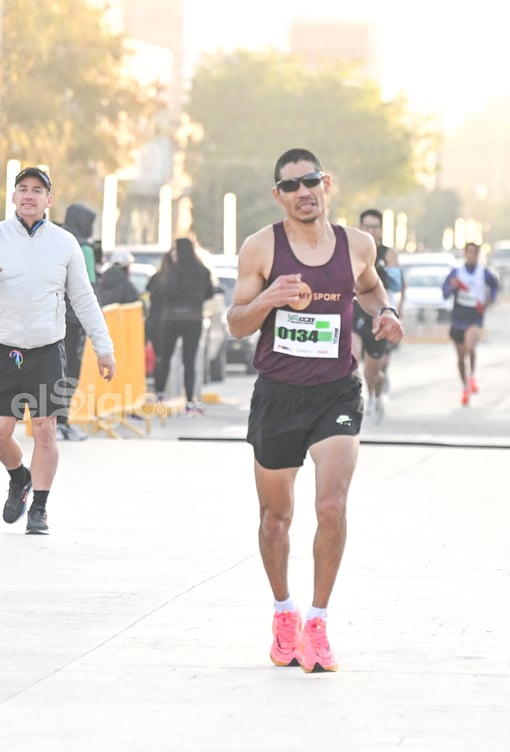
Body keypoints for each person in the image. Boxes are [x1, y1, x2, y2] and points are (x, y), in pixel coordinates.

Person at [226, 147, 404, 673]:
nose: (304, 192)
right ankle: (285, 611)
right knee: (275, 518)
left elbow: (371, 290)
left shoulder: (358, 244)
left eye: (311, 181)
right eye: (292, 185)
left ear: (327, 183)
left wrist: (387, 312)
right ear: (277, 196)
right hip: (278, 393)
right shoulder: (260, 248)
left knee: (331, 506)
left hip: (336, 392)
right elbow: (236, 323)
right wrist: (268, 300)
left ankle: (319, 624)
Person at [0, 167, 115, 535]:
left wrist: (104, 348)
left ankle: (39, 507)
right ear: (13, 197)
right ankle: (18, 477)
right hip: (4, 350)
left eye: (37, 190)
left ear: (49, 200)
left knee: (45, 430)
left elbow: (83, 297)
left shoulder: (64, 242)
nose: (29, 196)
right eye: (22, 189)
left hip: (48, 348)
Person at [151, 237, 214, 416]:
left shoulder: (174, 270)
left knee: (165, 356)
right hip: (194, 318)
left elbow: (167, 291)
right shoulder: (202, 271)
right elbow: (209, 293)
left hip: (171, 318)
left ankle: (160, 393)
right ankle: (190, 400)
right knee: (189, 361)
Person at [352, 209, 403, 421]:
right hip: (355, 311)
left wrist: (395, 312)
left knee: (373, 372)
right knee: (353, 360)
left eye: (375, 226)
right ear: (360, 228)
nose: (371, 230)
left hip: (379, 314)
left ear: (381, 230)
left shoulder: (387, 255)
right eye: (367, 226)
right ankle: (357, 401)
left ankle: (377, 395)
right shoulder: (354, 252)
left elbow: (397, 286)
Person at [56, 203, 99, 441]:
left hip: (50, 315)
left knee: (51, 369)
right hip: (73, 319)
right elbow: (88, 289)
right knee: (70, 369)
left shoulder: (57, 240)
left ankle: (50, 419)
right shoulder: (85, 248)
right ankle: (62, 420)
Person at [442, 241, 498, 406]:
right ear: (465, 254)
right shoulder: (457, 273)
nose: (472, 255)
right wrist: (451, 288)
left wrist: (490, 300)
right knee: (460, 357)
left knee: (470, 346)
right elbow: (445, 293)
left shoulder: (483, 273)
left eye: (475, 252)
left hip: (475, 317)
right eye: (469, 252)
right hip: (459, 317)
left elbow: (495, 286)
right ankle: (465, 385)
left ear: (478, 254)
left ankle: (472, 375)